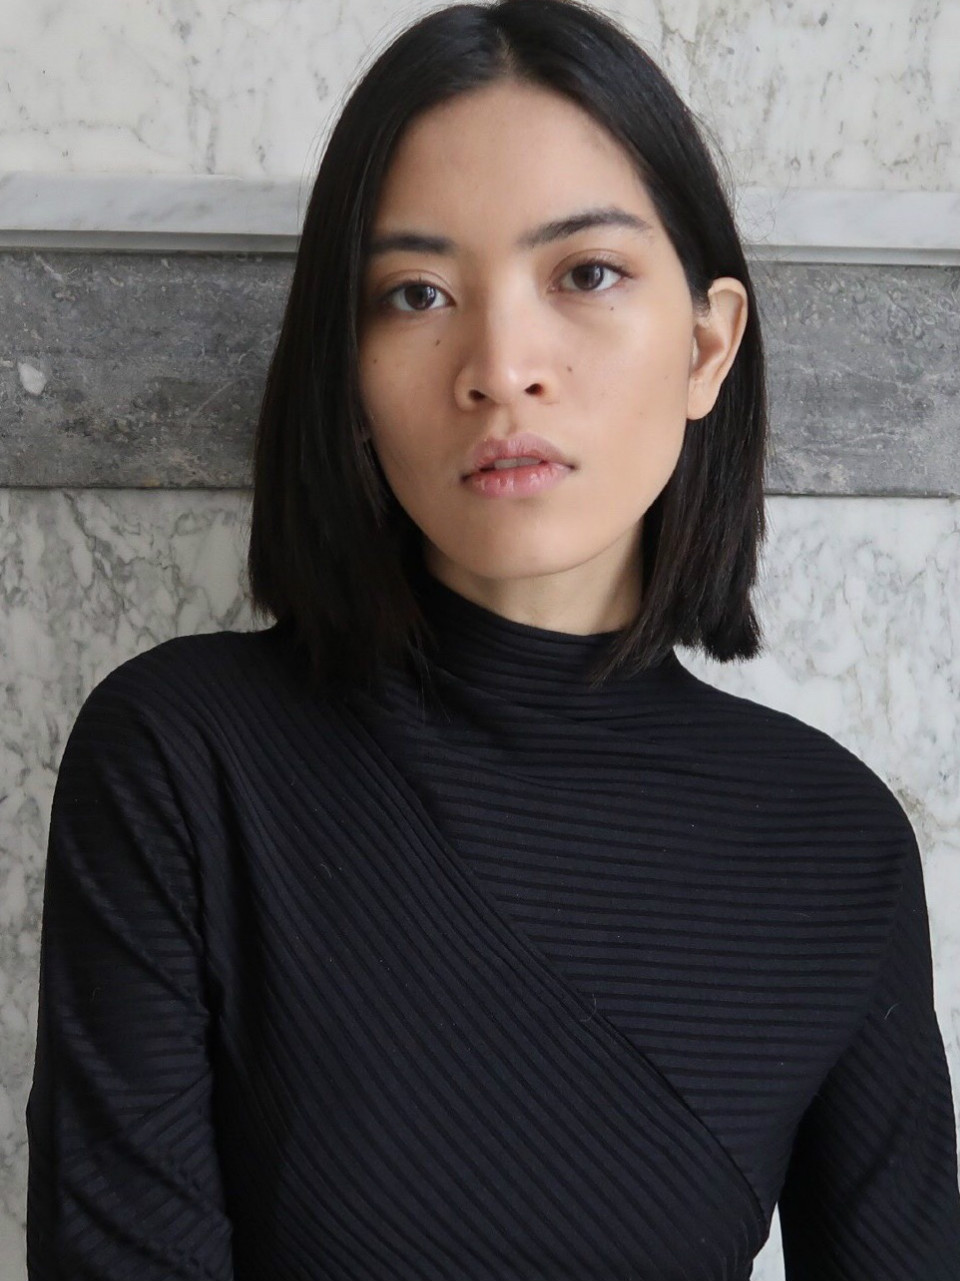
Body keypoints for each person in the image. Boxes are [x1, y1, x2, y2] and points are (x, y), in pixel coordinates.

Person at [25, 0, 960, 1277]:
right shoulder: (185, 761)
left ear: (707, 345)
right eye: (416, 293)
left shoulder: (835, 844)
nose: (501, 365)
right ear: (349, 376)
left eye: (586, 273)